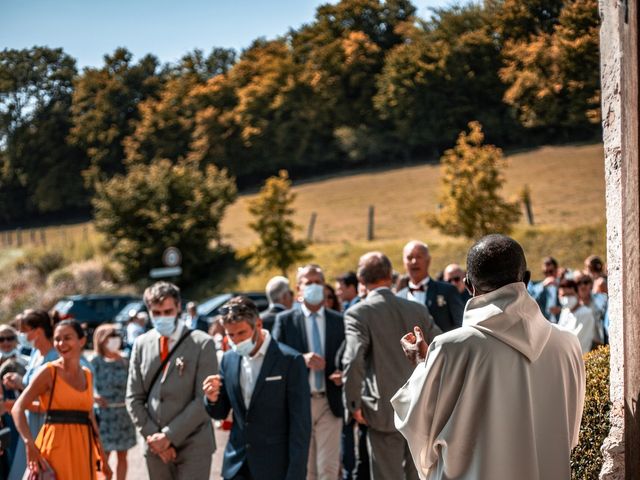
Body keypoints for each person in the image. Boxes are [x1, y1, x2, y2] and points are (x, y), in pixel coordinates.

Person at [391, 234, 585, 480]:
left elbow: (419, 426)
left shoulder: (450, 347)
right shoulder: (567, 343)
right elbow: (570, 433)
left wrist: (422, 365)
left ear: (469, 285)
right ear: (525, 279)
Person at [342, 252, 441, 480]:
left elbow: (353, 357)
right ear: (390, 275)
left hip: (382, 410)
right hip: (421, 407)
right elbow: (440, 348)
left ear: (361, 279)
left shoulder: (358, 313)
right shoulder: (416, 309)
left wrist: (353, 403)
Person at [203, 296, 311, 480]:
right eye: (230, 335)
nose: (236, 340)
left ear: (258, 325)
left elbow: (300, 425)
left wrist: (296, 473)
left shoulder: (290, 361)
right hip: (236, 465)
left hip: (275, 466)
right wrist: (212, 399)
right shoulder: (228, 359)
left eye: (241, 333)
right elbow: (222, 412)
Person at [126, 281, 217, 479]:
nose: (162, 317)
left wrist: (169, 436)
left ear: (178, 308)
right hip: (154, 446)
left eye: (168, 311)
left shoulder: (202, 343)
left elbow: (204, 399)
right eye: (156, 313)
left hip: (194, 444)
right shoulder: (141, 344)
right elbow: (133, 397)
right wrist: (155, 439)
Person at [12, 320, 112, 480]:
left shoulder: (87, 374)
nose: (61, 343)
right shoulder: (49, 372)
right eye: (57, 339)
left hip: (83, 449)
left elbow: (91, 418)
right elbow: (18, 408)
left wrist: (102, 457)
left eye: (67, 338)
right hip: (54, 449)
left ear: (82, 341)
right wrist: (29, 443)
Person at [272, 264, 345, 480]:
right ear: (298, 288)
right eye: (308, 282)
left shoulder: (338, 321)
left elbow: (348, 357)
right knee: (305, 469)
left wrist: (343, 374)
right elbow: (275, 358)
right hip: (299, 402)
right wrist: (300, 360)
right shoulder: (285, 321)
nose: (313, 286)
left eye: (318, 282)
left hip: (329, 402)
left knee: (328, 469)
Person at [6, 310, 60, 480]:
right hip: (30, 422)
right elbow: (32, 386)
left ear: (37, 331)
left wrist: (17, 405)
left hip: (46, 424)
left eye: (24, 330)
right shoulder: (36, 354)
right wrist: (19, 382)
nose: (21, 335)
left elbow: (54, 400)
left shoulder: (55, 357)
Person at [91, 324, 136, 480]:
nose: (114, 341)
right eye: (110, 337)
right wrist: (94, 396)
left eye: (116, 337)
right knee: (104, 456)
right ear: (101, 340)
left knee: (123, 456)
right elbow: (88, 386)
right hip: (104, 416)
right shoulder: (95, 362)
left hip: (123, 414)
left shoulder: (125, 360)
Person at [396, 241, 464, 332]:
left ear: (428, 260)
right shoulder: (398, 297)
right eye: (409, 257)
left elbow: (461, 325)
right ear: (404, 262)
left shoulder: (447, 291)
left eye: (419, 257)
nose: (414, 261)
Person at [0, 325, 27, 474]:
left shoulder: (26, 363)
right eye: (1, 339)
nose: (6, 342)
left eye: (10, 338)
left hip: (21, 415)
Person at [557, 279, 597, 354]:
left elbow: (577, 339)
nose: (566, 298)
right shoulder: (565, 311)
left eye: (570, 295)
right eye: (563, 295)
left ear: (577, 294)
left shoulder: (586, 313)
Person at [574, 272, 607, 345]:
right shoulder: (572, 304)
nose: (582, 286)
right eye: (579, 283)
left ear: (591, 285)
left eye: (585, 282)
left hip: (598, 344)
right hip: (580, 344)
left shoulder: (602, 300)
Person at [528, 256, 562, 322]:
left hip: (560, 323)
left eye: (551, 271)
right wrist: (542, 286)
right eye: (545, 272)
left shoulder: (563, 285)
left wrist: (560, 309)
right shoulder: (540, 287)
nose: (548, 275)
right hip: (545, 324)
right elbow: (532, 301)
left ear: (556, 270)